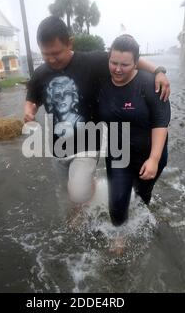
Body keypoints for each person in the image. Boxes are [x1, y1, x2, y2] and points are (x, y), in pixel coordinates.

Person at [24, 16, 170, 222]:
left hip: (88, 142)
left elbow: (127, 59)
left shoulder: (92, 61)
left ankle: (89, 193)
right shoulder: (41, 73)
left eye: (56, 53)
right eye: (45, 54)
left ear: (70, 43)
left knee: (81, 192)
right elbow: (32, 96)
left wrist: (158, 71)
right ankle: (79, 207)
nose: (51, 59)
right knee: (67, 188)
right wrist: (29, 111)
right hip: (58, 145)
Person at [97, 35, 170, 252]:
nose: (117, 69)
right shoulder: (102, 80)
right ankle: (119, 235)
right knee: (117, 199)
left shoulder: (150, 84)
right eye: (113, 62)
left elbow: (160, 123)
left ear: (136, 63)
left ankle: (142, 215)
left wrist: (154, 159)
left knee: (142, 196)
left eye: (125, 64)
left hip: (150, 154)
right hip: (118, 153)